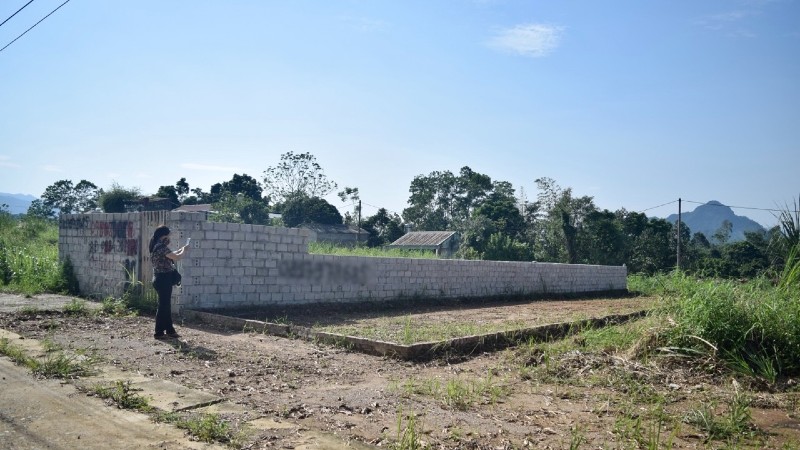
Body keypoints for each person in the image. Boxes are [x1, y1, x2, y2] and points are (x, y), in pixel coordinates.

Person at [148, 225, 190, 340]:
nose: (169, 238)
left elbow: (172, 255)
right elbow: (177, 257)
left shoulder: (157, 246)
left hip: (160, 279)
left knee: (165, 306)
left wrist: (181, 249)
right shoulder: (161, 247)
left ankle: (170, 330)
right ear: (164, 236)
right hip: (163, 279)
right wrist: (184, 250)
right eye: (168, 235)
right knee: (163, 307)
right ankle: (159, 332)